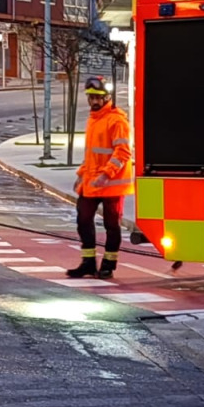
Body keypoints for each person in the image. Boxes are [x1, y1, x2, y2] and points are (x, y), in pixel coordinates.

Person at [66, 76, 134, 279]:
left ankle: (108, 264)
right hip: (91, 182)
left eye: (98, 97)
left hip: (111, 184)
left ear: (107, 97)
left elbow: (122, 153)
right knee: (83, 219)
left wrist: (106, 174)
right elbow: (92, 155)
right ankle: (88, 262)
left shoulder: (117, 120)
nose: (94, 101)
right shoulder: (93, 120)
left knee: (112, 225)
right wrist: (81, 175)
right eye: (91, 97)